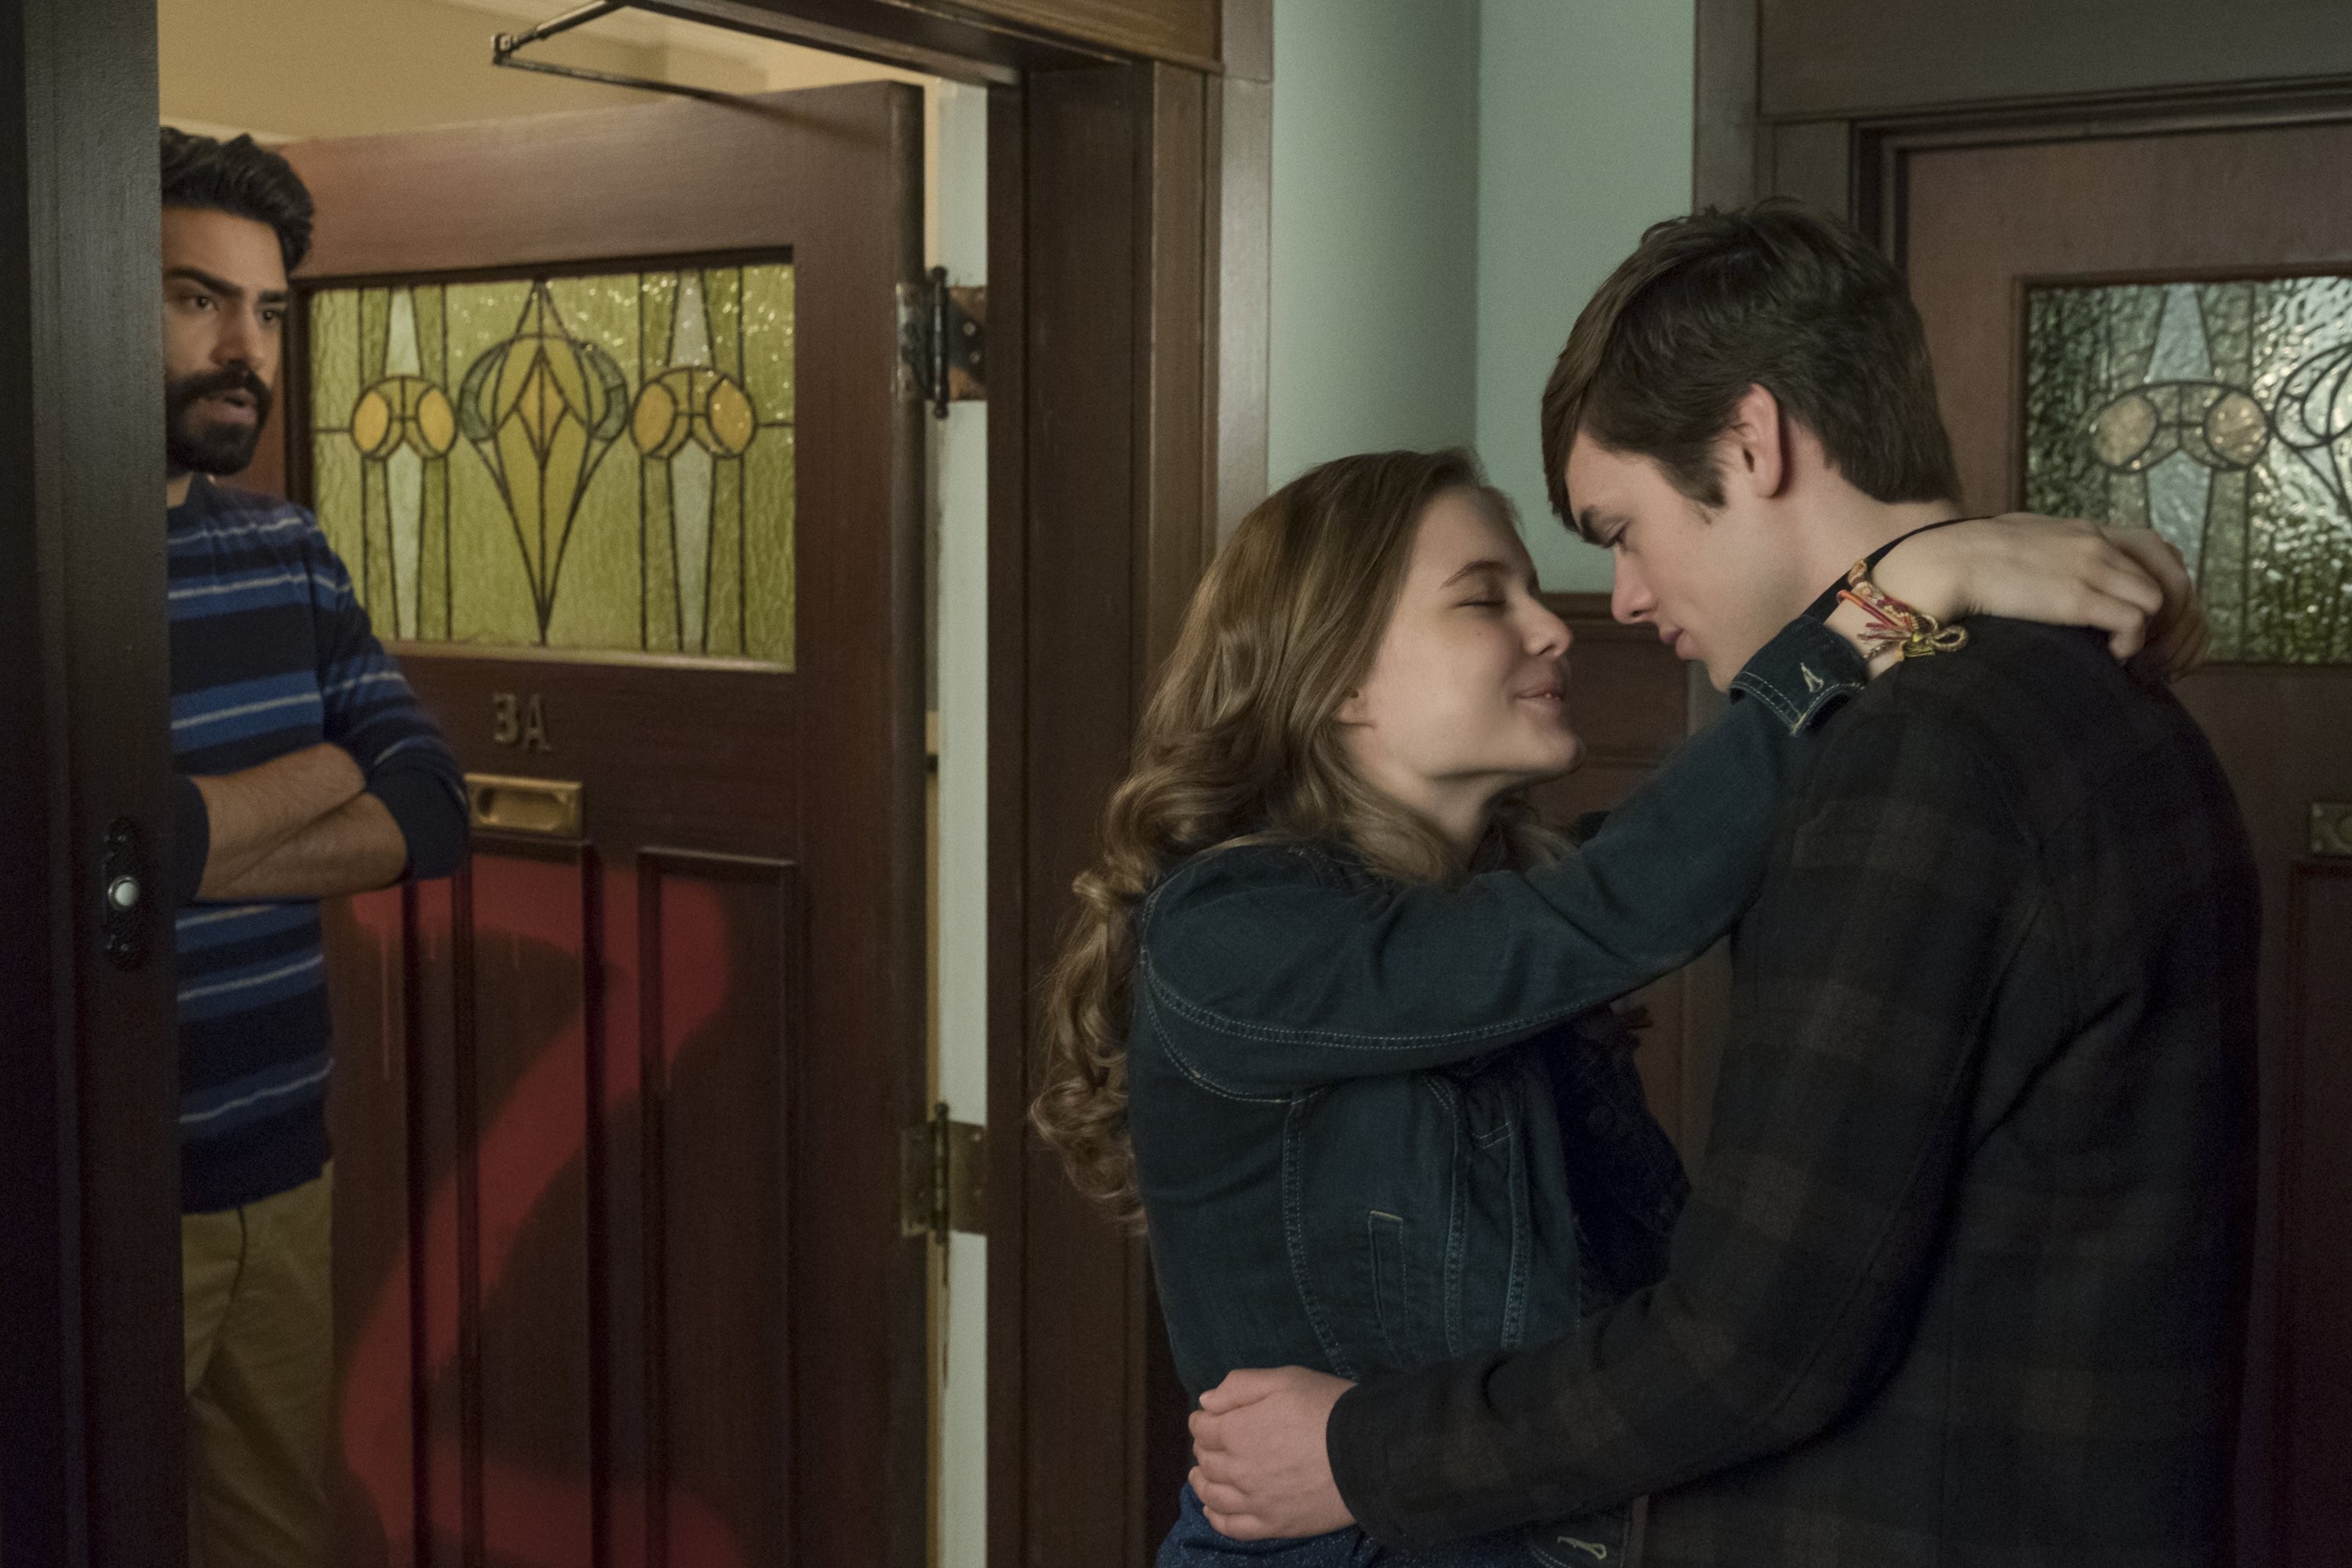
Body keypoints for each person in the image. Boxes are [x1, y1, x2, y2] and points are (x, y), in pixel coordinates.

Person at [1183, 205, 2259, 1567]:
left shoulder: (1915, 753)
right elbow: (1596, 903)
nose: (1616, 601)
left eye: (1622, 529)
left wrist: (1360, 1453)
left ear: (1751, 444)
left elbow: (1753, 1349)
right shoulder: (2091, 689)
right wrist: (1895, 593)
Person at [162, 127, 469, 1567]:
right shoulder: (46, 562)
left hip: (284, 1171)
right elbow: (92, 854)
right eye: (197, 300)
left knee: (271, 1542)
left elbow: (433, 810)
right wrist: (334, 764)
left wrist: (194, 841)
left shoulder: (286, 548)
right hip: (99, 1187)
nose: (246, 350)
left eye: (269, 312)